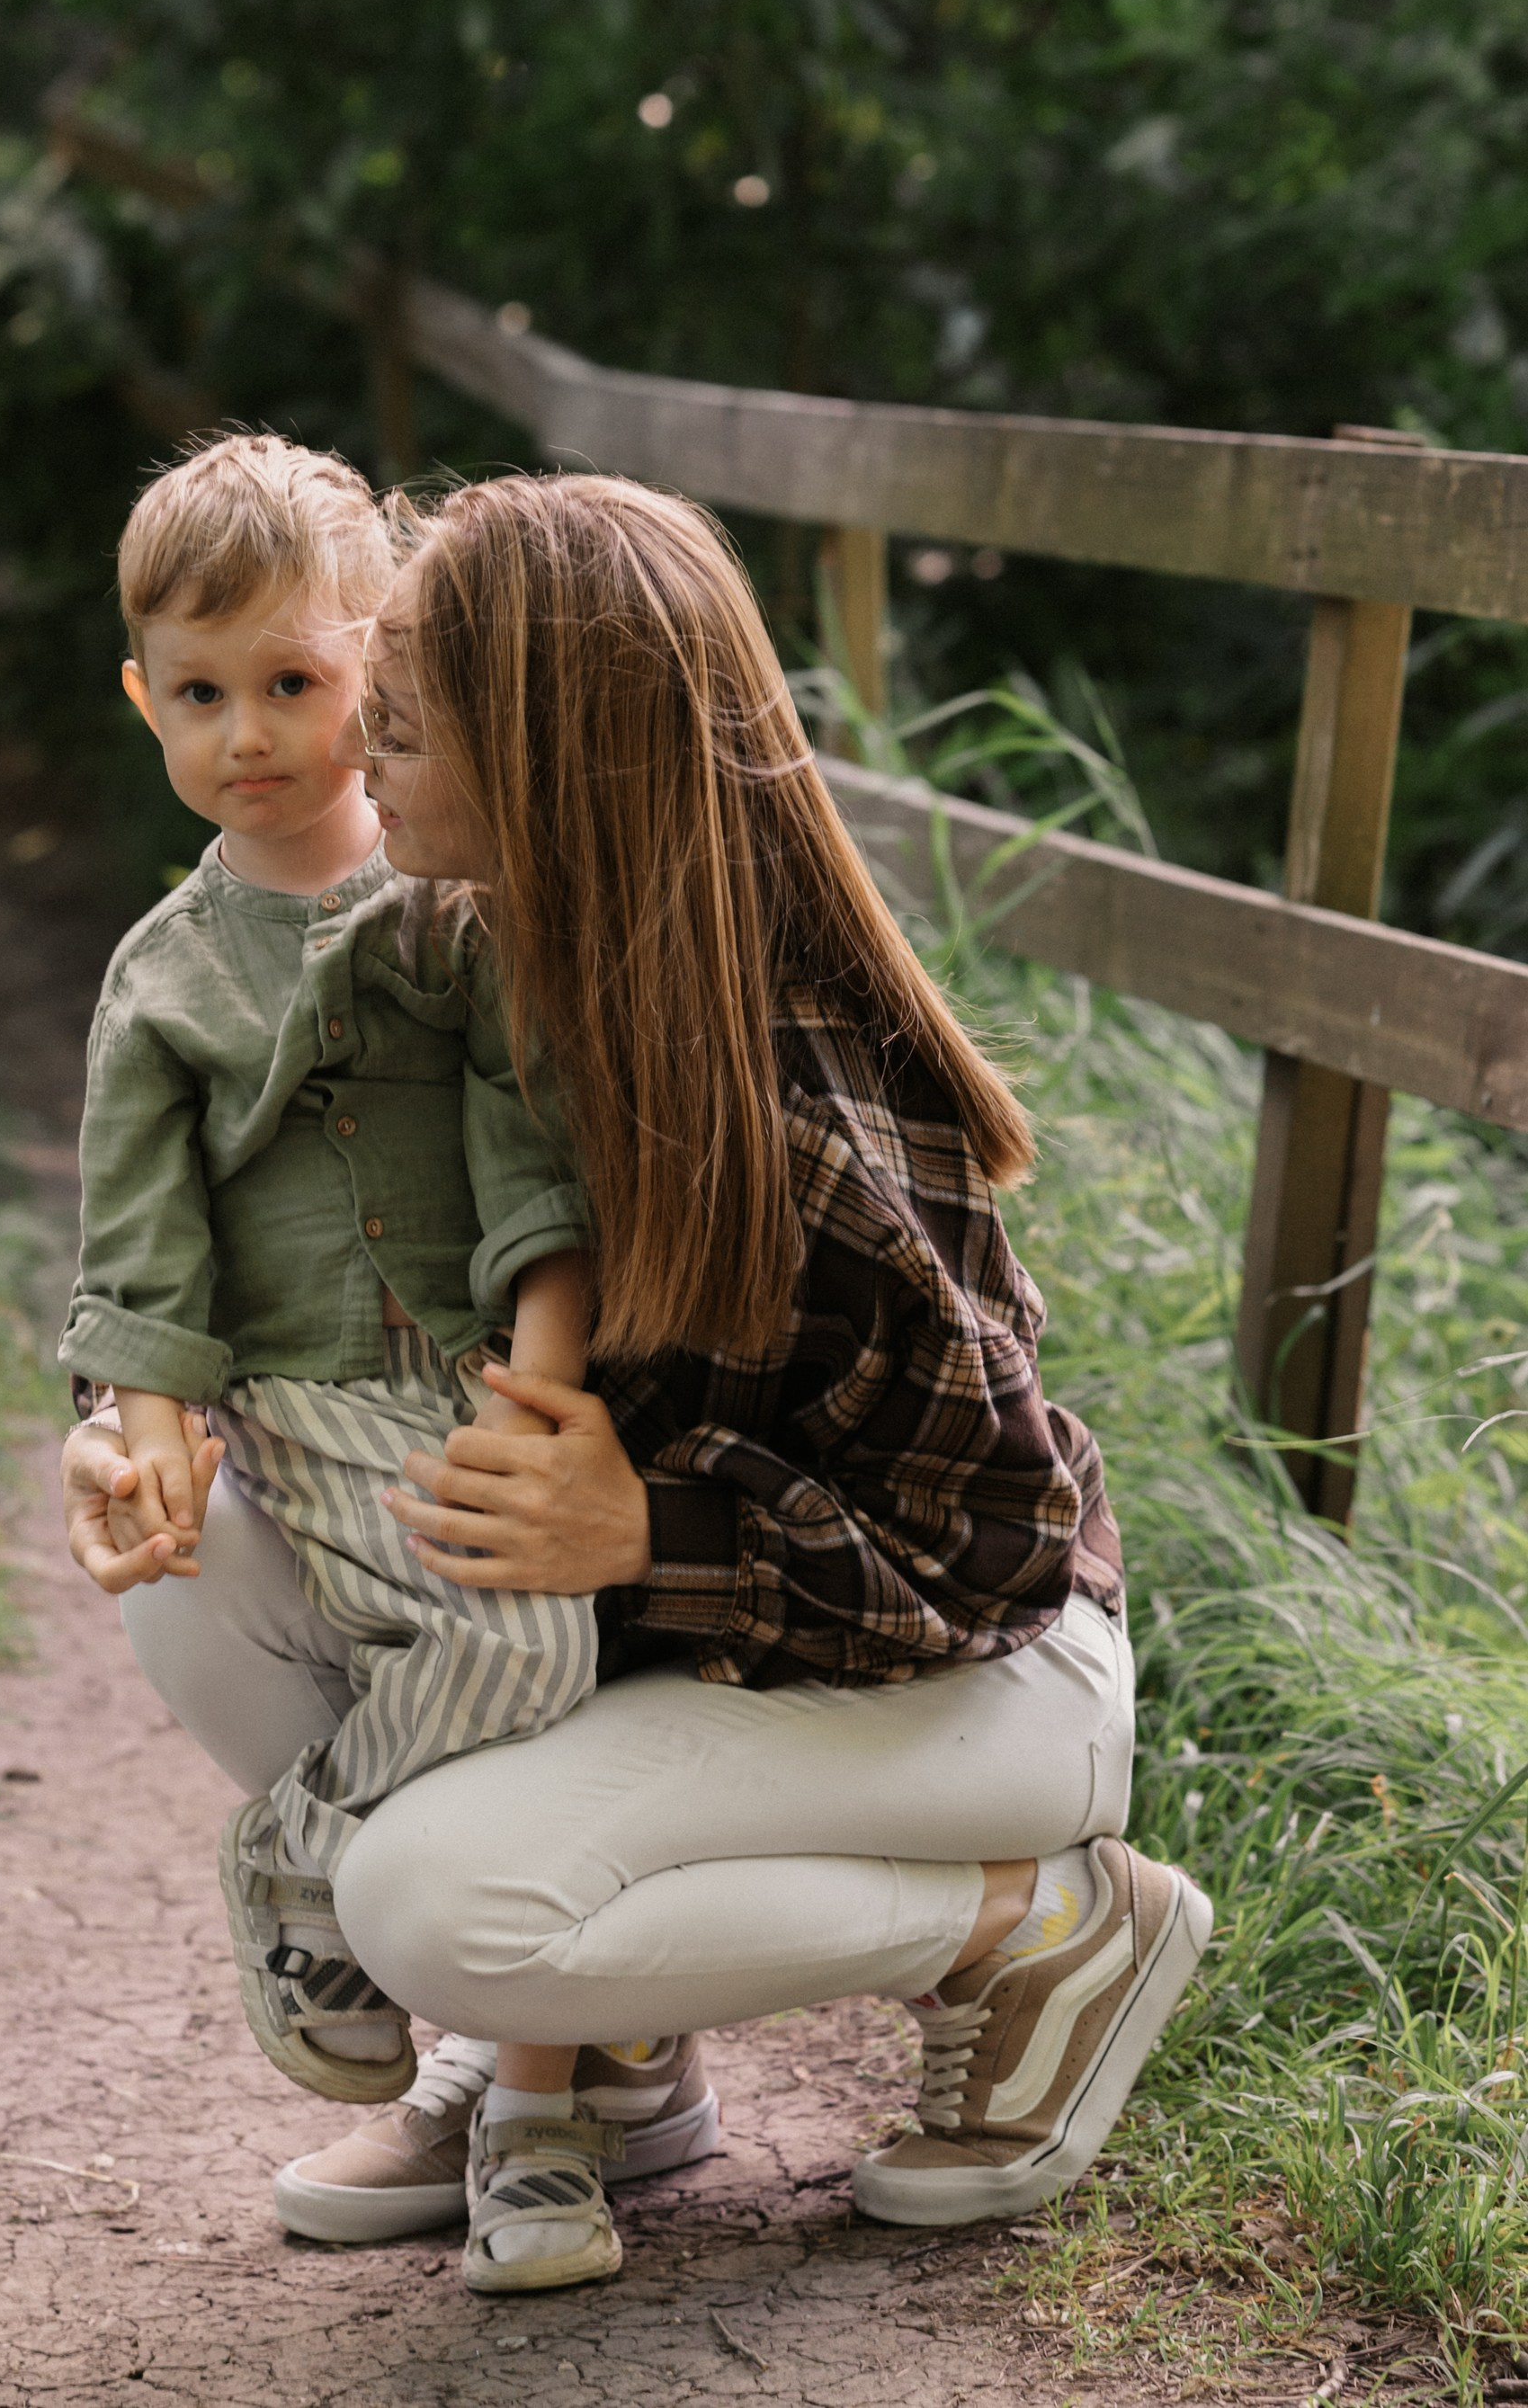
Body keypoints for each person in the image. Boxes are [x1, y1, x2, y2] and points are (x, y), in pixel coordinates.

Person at [64, 469, 1209, 2297]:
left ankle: (1039, 1922)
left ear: (546, 762)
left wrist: (650, 1533)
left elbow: (995, 1548)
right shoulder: (471, 975)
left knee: (429, 1900)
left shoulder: (781, 1087)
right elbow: (259, 1248)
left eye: (398, 726)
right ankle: (600, 2056)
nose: (352, 753)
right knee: (199, 1562)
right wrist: (143, 1430)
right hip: (722, 1646)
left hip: (978, 1683)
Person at [62, 434, 633, 2122]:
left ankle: (358, 1888)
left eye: (292, 684)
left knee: (540, 1649)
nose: (246, 736)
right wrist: (147, 1427)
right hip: (302, 1386)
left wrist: (539, 1395)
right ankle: (329, 1865)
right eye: (199, 696)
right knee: (518, 1657)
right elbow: (141, 1235)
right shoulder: (163, 980)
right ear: (143, 699)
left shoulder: (461, 909)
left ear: (375, 674)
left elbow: (536, 1166)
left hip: (469, 1374)